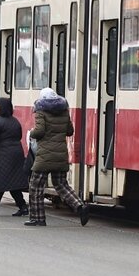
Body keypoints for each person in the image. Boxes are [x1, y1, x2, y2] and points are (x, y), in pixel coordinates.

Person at [25, 87, 89, 227]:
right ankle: (79, 206)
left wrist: (32, 133)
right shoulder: (64, 111)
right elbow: (69, 131)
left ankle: (38, 218)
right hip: (60, 154)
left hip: (44, 156)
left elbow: (40, 131)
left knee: (35, 186)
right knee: (61, 184)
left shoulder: (40, 111)